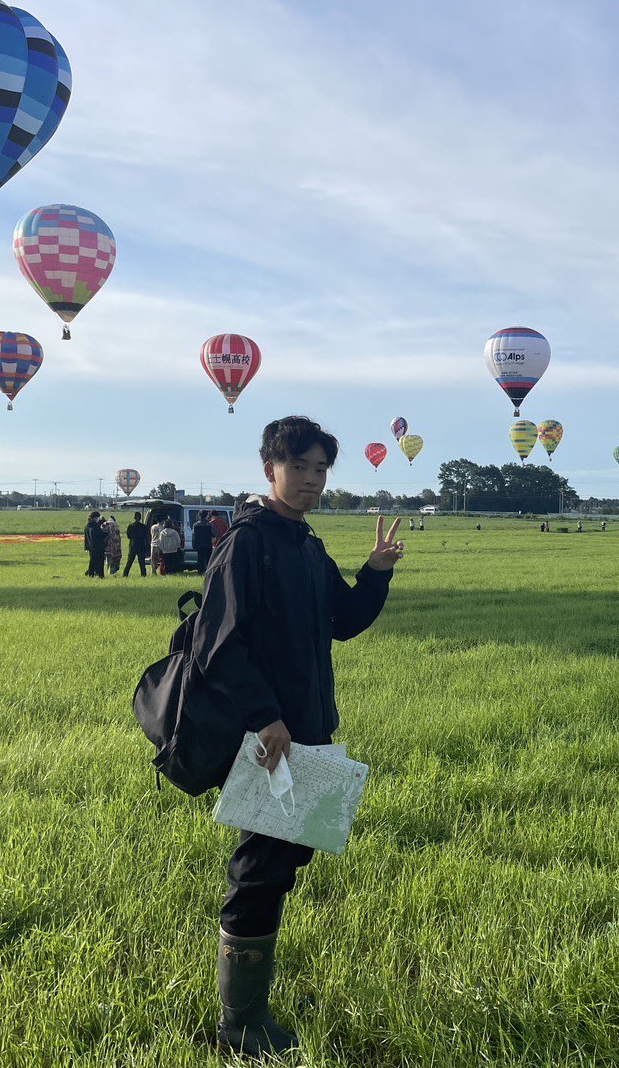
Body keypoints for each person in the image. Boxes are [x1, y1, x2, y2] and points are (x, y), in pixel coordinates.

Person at [190, 416, 402, 1056]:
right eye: (299, 467)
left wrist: (375, 572)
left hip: (307, 729)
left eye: (321, 469)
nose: (311, 480)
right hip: (269, 737)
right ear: (270, 470)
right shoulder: (247, 544)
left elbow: (342, 620)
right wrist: (264, 715)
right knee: (260, 867)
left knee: (284, 862)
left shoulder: (305, 543)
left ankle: (253, 999)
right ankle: (240, 1024)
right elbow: (217, 646)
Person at [83, 511, 106, 578]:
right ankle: (100, 575)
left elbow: (86, 538)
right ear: (95, 518)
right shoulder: (95, 526)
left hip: (91, 547)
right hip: (98, 547)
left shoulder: (87, 526)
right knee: (100, 562)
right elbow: (99, 535)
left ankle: (91, 574)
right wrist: (107, 533)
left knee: (92, 562)